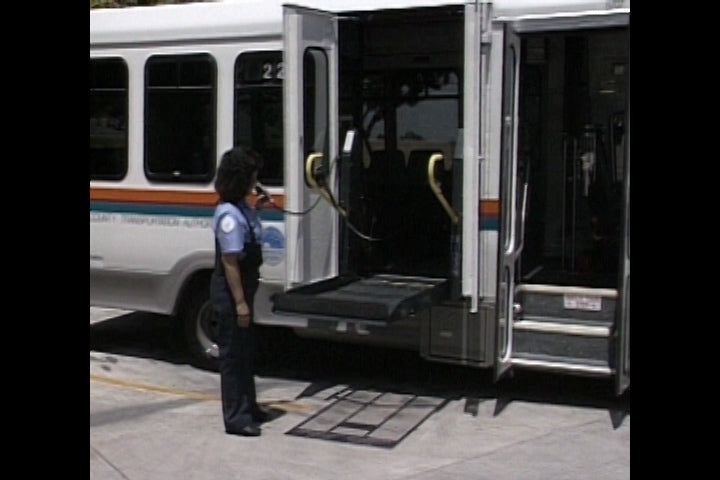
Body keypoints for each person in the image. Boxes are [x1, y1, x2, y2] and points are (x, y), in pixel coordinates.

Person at [210, 146, 270, 437]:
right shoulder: (229, 216)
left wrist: (258, 206)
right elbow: (230, 262)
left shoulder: (243, 208)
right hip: (232, 292)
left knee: (246, 351)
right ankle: (235, 417)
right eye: (251, 177)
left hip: (245, 287)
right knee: (233, 356)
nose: (254, 182)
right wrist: (241, 304)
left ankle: (250, 407)